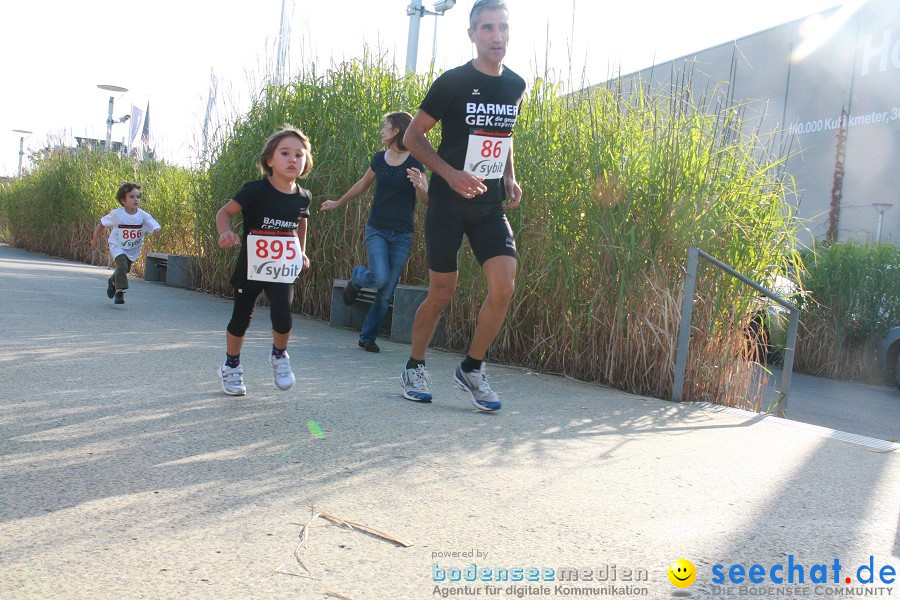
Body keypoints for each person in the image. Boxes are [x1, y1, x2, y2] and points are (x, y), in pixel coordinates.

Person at [400, 0, 526, 411]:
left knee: (504, 286)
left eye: (503, 27)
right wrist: (450, 174)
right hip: (447, 203)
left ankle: (472, 368)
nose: (497, 36)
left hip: (488, 205)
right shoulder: (452, 82)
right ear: (472, 35)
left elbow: (503, 134)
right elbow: (412, 138)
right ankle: (414, 365)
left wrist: (508, 174)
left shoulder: (515, 85)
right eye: (487, 28)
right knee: (442, 292)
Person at [214, 126, 313, 396]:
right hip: (251, 266)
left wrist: (301, 251)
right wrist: (226, 232)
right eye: (285, 153)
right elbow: (225, 212)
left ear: (305, 162)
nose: (293, 159)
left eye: (299, 155)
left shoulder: (303, 196)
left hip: (282, 268)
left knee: (283, 314)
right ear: (270, 160)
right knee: (241, 318)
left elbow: (300, 224)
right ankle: (231, 366)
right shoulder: (255, 191)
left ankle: (279, 356)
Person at [320, 111, 428, 353]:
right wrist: (338, 202)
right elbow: (362, 184)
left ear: (397, 130)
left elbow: (426, 199)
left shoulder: (416, 161)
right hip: (377, 229)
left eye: (386, 126)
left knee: (386, 290)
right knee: (378, 278)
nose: (382, 130)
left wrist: (419, 185)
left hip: (402, 234)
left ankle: (367, 337)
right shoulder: (379, 159)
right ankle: (358, 276)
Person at [91, 182, 161, 305]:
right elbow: (102, 224)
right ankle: (120, 291)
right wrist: (95, 240)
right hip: (117, 245)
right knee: (122, 266)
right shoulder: (117, 214)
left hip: (133, 247)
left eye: (138, 197)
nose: (136, 199)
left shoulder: (143, 215)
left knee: (125, 269)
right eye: (132, 197)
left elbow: (153, 224)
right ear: (123, 200)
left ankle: (112, 282)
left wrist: (156, 230)